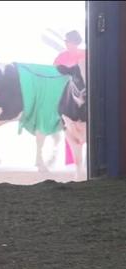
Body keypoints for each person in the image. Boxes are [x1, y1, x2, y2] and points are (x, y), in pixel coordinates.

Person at [54, 30, 85, 168]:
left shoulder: (85, 54)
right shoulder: (62, 56)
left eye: (68, 41)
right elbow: (54, 69)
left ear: (74, 42)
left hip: (83, 93)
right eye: (65, 41)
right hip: (66, 95)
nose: (66, 43)